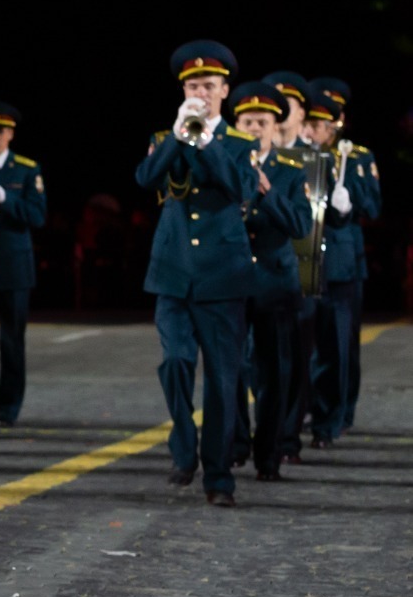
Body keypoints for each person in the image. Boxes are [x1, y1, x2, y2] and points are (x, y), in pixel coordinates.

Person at [134, 40, 256, 507]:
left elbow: (241, 188)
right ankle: (184, 446)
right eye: (191, 86)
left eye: (207, 86)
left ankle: (218, 477)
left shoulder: (240, 143)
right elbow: (146, 178)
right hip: (173, 273)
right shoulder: (164, 137)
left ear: (224, 91)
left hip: (222, 276)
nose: (199, 94)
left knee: (223, 381)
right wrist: (177, 137)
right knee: (176, 362)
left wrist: (206, 143)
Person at [227, 81, 310, 480]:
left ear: (276, 127)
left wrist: (268, 190)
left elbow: (300, 225)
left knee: (273, 372)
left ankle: (269, 454)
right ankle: (235, 445)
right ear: (236, 126)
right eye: (248, 122)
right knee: (230, 368)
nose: (255, 128)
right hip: (232, 279)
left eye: (263, 122)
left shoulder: (291, 172)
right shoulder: (225, 166)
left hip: (275, 284)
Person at [301, 84, 376, 448]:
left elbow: (373, 207)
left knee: (340, 345)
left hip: (342, 262)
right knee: (304, 342)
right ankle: (307, 408)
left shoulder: (355, 157)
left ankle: (336, 414)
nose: (313, 131)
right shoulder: (296, 155)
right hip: (303, 257)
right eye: (309, 122)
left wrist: (347, 196)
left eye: (320, 124)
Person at [0, 101, 46, 427]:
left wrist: (5, 198)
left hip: (13, 264)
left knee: (11, 341)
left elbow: (37, 215)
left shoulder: (26, 168)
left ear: (10, 134)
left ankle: (8, 407)